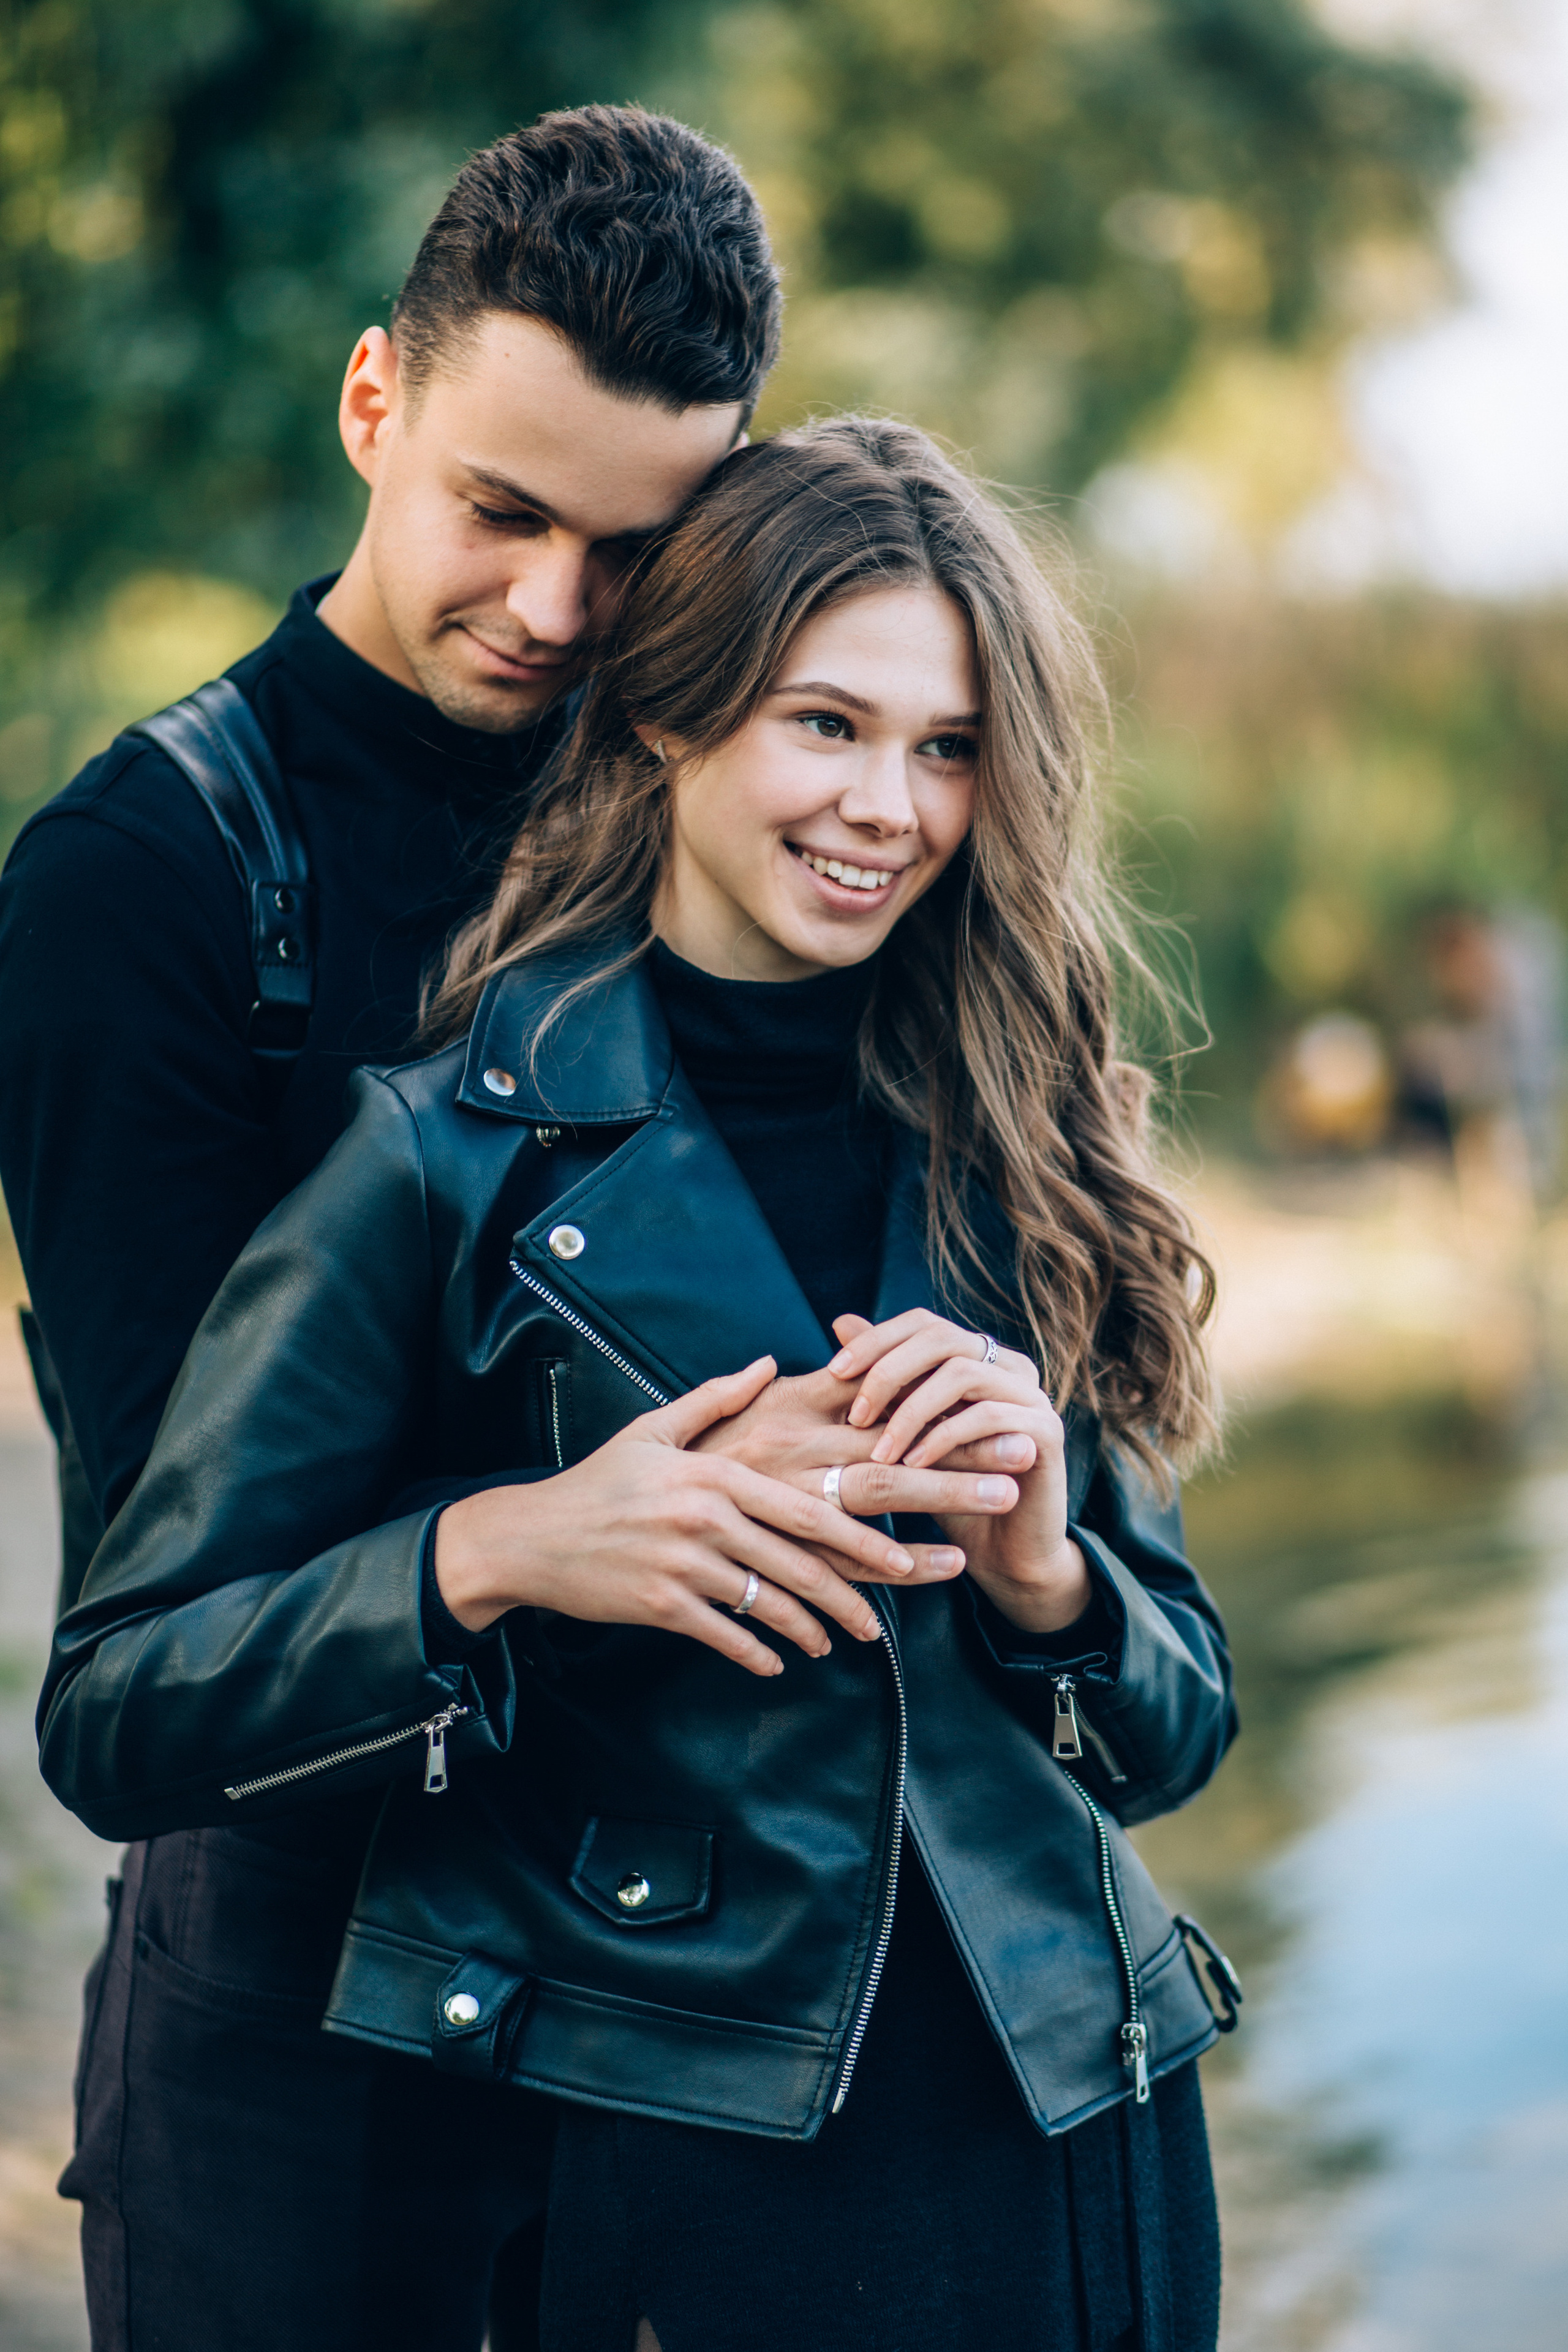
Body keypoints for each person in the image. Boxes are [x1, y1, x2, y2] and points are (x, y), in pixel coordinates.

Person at [42, 416, 1237, 2351]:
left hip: (1071, 2127)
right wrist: (505, 1548)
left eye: (947, 750)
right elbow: (120, 1706)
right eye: (824, 726)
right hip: (680, 2161)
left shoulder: (1034, 1137)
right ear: (668, 718)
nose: (889, 807)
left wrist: (1050, 1575)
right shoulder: (435, 1162)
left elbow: (1177, 1732)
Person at [0, 102, 786, 2352]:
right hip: (300, 2050)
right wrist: (513, 1540)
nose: (554, 612)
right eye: (500, 510)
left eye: (633, 549)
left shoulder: (726, 831)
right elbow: (150, 1656)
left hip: (672, 2005)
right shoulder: (135, 887)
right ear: (374, 404)